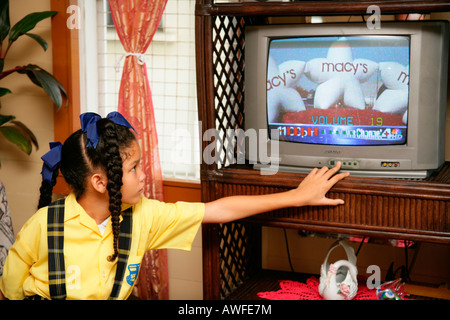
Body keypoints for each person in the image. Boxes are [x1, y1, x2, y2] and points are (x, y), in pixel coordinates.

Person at [0, 112, 349, 300]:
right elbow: (10, 287)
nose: (143, 175)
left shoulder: (145, 216)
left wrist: (298, 196)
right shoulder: (46, 225)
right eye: (134, 168)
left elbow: (218, 211)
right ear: (100, 183)